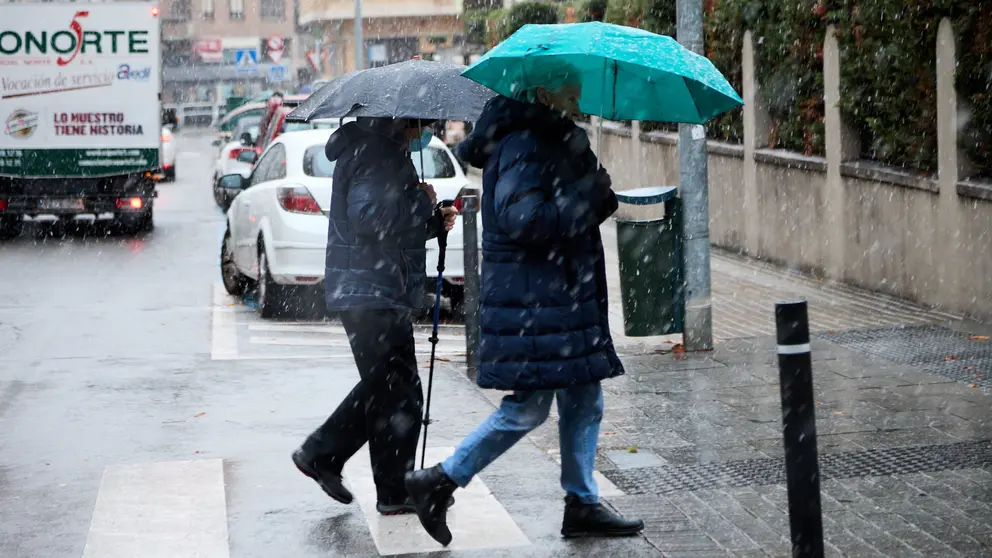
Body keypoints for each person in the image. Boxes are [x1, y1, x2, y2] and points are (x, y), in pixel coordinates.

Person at [404, 80, 644, 545]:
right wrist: (584, 197)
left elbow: (586, 204)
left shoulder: (557, 137)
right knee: (528, 408)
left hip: (561, 298)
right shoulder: (523, 142)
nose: (578, 97)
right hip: (538, 299)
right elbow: (525, 219)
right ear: (542, 92)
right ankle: (439, 480)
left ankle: (582, 503)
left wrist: (595, 188)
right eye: (570, 89)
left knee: (583, 398)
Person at [292, 117, 457, 516]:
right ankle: (380, 484)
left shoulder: (384, 152)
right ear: (403, 121)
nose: (428, 130)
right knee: (398, 391)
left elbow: (390, 224)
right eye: (425, 124)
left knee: (389, 387)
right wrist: (420, 201)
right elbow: (368, 220)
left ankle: (330, 458)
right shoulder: (376, 155)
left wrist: (434, 220)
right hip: (370, 290)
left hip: (374, 287)